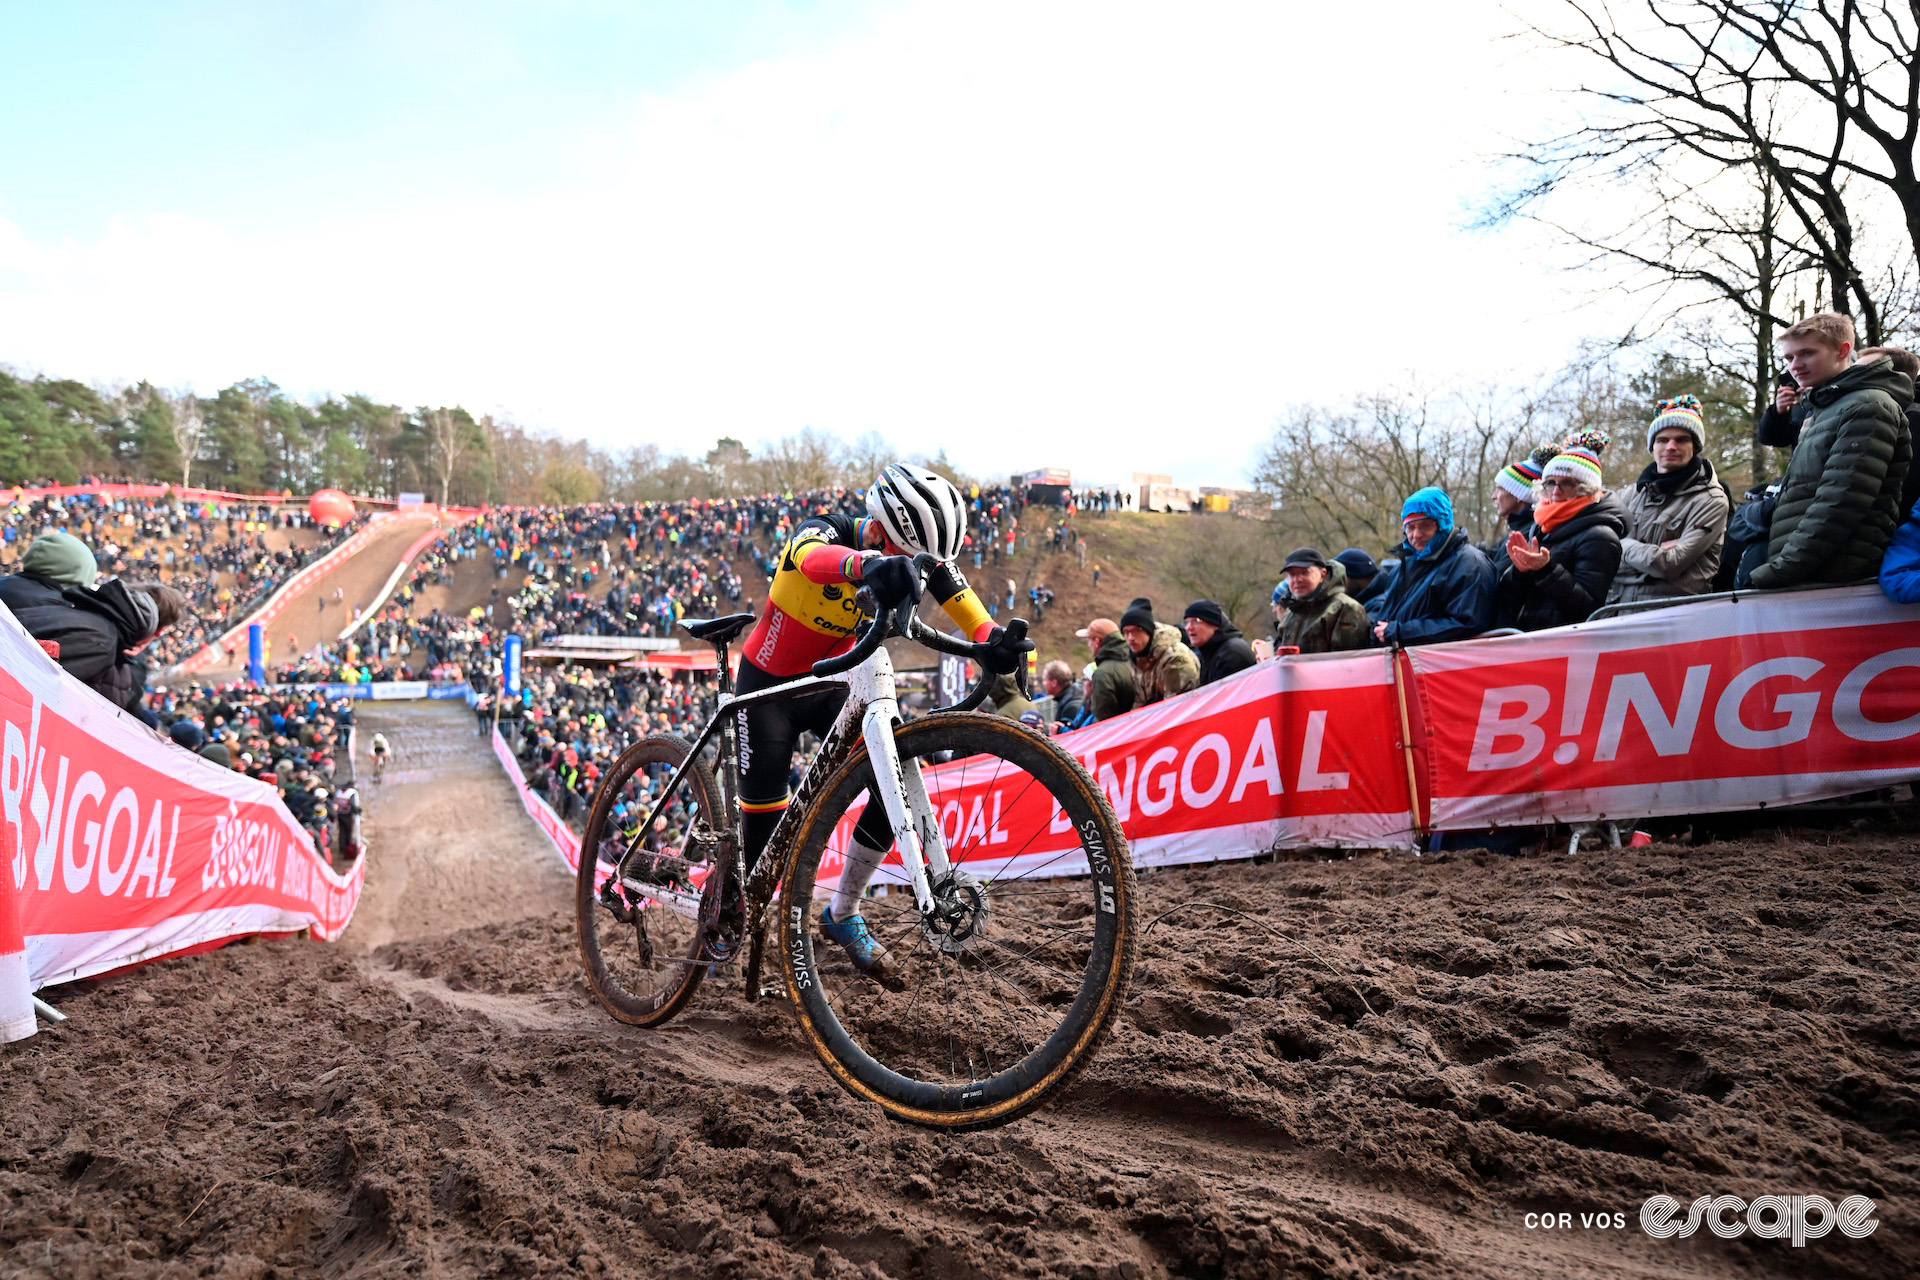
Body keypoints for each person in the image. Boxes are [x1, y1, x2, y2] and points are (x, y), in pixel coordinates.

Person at [734, 464, 1029, 973]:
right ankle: (744, 918)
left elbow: (956, 593)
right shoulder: (827, 532)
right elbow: (808, 558)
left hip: (834, 684)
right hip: (769, 690)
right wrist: (865, 564)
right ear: (876, 530)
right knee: (765, 839)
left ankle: (842, 911)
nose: (910, 570)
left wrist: (991, 638)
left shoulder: (912, 553)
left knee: (890, 778)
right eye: (900, 556)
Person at [1747, 313, 1914, 589]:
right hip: (1811, 570)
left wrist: (1782, 569)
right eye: (1788, 358)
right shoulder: (1824, 408)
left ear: (1843, 350)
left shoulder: (1868, 405)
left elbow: (1841, 502)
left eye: (1807, 353)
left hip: (1833, 574)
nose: (1795, 366)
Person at [1607, 396, 1731, 604]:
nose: (1671, 446)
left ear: (1695, 447)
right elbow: (1604, 558)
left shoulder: (1711, 501)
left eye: (1682, 439)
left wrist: (1621, 545)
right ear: (1652, 447)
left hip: (1674, 617)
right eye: (1662, 440)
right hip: (1616, 611)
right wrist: (1648, 555)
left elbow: (1669, 565)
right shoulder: (1628, 495)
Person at [1496, 446, 1625, 630]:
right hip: (1530, 638)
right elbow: (1511, 597)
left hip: (1565, 646)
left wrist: (1545, 570)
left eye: (1566, 484)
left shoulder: (1600, 536)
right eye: (1550, 483)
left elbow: (1590, 610)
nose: (1555, 491)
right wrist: (1520, 571)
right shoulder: (1541, 526)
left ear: (1585, 489)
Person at [1367, 488, 1496, 646]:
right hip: (1402, 662)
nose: (1416, 535)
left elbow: (1467, 624)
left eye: (1425, 526)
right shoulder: (1406, 564)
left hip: (1439, 666)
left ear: (1443, 524)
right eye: (1410, 527)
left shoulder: (1470, 564)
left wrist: (1401, 632)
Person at [1270, 548, 1370, 654]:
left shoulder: (1346, 608)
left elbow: (1347, 662)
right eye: (1292, 575)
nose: (1297, 580)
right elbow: (1280, 655)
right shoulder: (1291, 612)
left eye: (1305, 572)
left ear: (1323, 574)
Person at [1485, 445, 1556, 577]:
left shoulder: (1529, 534)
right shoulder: (1519, 528)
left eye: (1500, 489)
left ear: (1519, 494)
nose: (1494, 496)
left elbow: (1493, 576)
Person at [1118, 598, 1199, 705]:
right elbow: (1139, 703)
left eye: (1137, 630)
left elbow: (1177, 706)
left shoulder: (1176, 658)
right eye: (1126, 632)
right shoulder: (1136, 658)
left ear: (1148, 631)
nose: (1131, 637)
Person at [1072, 617, 1137, 722]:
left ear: (1097, 642)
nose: (1089, 645)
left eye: (1089, 640)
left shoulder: (1102, 674)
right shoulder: (1133, 663)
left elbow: (1103, 721)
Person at [1182, 600, 1257, 686]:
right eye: (1186, 623)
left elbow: (1224, 696)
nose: (1188, 627)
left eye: (1196, 621)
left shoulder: (1231, 653)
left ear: (1214, 624)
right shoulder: (1208, 653)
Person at [1039, 659, 1082, 727]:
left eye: (1044, 680)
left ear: (1054, 683)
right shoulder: (1068, 698)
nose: (1043, 683)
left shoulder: (1071, 707)